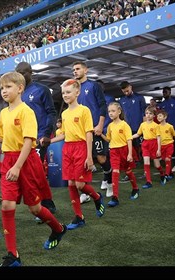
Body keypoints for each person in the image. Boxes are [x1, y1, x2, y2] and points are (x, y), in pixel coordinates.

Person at [0, 72, 67, 266]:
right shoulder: (4, 113)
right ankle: (12, 255)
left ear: (20, 88)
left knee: (35, 208)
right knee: (7, 205)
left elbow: (28, 141)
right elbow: (3, 138)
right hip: (9, 161)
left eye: (8, 87)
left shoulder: (26, 111)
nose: (4, 91)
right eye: (2, 88)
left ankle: (58, 229)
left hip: (26, 162)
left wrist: (17, 166)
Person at [51, 79, 105, 230]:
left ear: (77, 92)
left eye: (68, 92)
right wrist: (49, 141)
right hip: (68, 148)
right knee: (71, 184)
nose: (65, 95)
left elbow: (89, 134)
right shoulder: (65, 113)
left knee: (80, 184)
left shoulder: (84, 110)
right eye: (63, 93)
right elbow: (65, 135)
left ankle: (97, 197)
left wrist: (89, 156)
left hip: (81, 148)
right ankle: (79, 217)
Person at [15, 62, 57, 214]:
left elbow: (51, 112)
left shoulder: (41, 90)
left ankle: (46, 205)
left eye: (23, 73)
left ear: (30, 72)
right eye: (18, 74)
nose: (21, 77)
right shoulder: (18, 94)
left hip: (39, 137)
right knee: (31, 172)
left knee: (35, 171)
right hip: (24, 140)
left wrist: (46, 134)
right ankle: (43, 203)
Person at [72, 61, 110, 202]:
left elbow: (102, 106)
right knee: (83, 160)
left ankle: (108, 178)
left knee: (101, 159)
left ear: (85, 70)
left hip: (95, 128)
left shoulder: (94, 86)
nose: (75, 71)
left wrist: (100, 125)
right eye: (73, 70)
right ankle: (85, 192)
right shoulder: (73, 88)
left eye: (78, 69)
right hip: (81, 131)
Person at [103, 102, 139, 207]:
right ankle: (115, 197)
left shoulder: (124, 125)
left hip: (125, 150)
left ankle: (135, 188)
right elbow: (108, 139)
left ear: (119, 111)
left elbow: (129, 139)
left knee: (128, 171)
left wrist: (130, 154)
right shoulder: (109, 126)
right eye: (109, 111)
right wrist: (100, 134)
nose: (110, 113)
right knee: (115, 172)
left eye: (113, 111)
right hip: (113, 151)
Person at [132, 106, 163, 189]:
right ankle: (148, 181)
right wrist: (130, 137)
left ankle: (162, 175)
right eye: (146, 113)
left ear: (154, 115)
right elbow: (138, 134)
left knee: (157, 165)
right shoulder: (142, 125)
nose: (148, 115)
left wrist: (159, 149)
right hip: (145, 144)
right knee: (146, 163)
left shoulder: (156, 126)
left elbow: (159, 138)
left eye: (150, 113)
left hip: (154, 144)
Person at [119, 81, 146, 163]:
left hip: (138, 125)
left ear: (130, 87)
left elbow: (144, 112)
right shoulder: (122, 100)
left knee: (140, 143)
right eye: (124, 92)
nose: (126, 93)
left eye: (127, 91)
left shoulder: (139, 97)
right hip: (127, 126)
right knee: (131, 143)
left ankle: (142, 157)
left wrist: (144, 125)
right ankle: (135, 158)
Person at [156, 110, 175, 184]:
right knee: (165, 160)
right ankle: (171, 173)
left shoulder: (170, 126)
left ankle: (166, 175)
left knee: (167, 159)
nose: (158, 117)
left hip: (169, 145)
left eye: (160, 116)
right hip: (162, 146)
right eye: (157, 116)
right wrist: (158, 148)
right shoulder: (157, 127)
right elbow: (157, 138)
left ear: (165, 117)